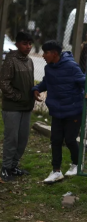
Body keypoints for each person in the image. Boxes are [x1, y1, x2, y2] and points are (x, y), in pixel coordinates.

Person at [32, 41, 87, 184]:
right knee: (56, 140)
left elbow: (84, 81)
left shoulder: (71, 66)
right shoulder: (49, 68)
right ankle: (56, 171)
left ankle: (77, 164)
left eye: (46, 53)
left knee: (70, 139)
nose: (44, 55)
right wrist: (36, 88)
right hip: (57, 110)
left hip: (73, 110)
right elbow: (46, 82)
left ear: (54, 54)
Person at [0, 32, 34, 182]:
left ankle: (14, 166)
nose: (28, 47)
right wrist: (17, 97)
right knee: (11, 139)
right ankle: (5, 169)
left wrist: (34, 92)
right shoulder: (10, 60)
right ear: (17, 44)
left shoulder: (29, 61)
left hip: (26, 107)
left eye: (30, 44)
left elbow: (29, 83)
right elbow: (4, 83)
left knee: (22, 139)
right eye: (25, 44)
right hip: (12, 107)